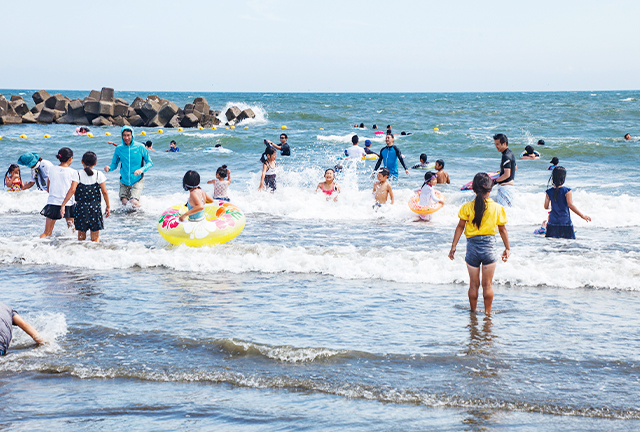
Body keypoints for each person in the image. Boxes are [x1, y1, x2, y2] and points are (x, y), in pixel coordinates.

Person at [448, 173, 510, 315]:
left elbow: (460, 227)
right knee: (487, 284)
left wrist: (453, 247)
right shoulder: (497, 208)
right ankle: (488, 314)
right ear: (490, 190)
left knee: (473, 284)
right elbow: (502, 230)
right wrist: (507, 248)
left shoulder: (467, 207)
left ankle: (473, 312)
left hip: (472, 248)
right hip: (489, 248)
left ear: (473, 189)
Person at [59, 151, 110, 242]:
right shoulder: (99, 174)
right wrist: (108, 206)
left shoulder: (77, 174)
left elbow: (72, 190)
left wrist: (63, 204)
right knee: (95, 239)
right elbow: (104, 192)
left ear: (82, 162)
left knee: (81, 238)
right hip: (95, 208)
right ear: (95, 163)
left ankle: (82, 254)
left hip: (81, 208)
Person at [104, 126, 153, 208]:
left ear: (132, 135)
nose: (126, 138)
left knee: (133, 202)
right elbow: (114, 164)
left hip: (137, 179)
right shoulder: (119, 149)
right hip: (124, 180)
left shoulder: (140, 147)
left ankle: (142, 216)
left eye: (128, 135)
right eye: (124, 135)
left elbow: (149, 162)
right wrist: (109, 168)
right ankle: (128, 220)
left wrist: (141, 170)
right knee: (124, 202)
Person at [544, 166, 591, 239]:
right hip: (565, 221)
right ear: (563, 178)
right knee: (569, 244)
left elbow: (546, 207)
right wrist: (582, 216)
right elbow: (570, 205)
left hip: (552, 222)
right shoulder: (567, 191)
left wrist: (553, 206)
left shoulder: (549, 192)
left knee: (552, 244)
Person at [40, 147, 76, 238]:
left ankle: (37, 247)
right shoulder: (73, 172)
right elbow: (73, 190)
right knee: (72, 231)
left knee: (47, 232)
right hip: (68, 203)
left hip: (53, 202)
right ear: (70, 158)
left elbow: (48, 188)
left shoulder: (51, 169)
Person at [493, 133, 516, 207]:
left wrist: (495, 181)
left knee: (504, 212)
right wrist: (502, 170)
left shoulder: (506, 156)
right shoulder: (510, 153)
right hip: (509, 188)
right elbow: (515, 168)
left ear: (504, 143)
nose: (496, 146)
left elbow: (507, 174)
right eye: (495, 144)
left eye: (498, 144)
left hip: (505, 188)